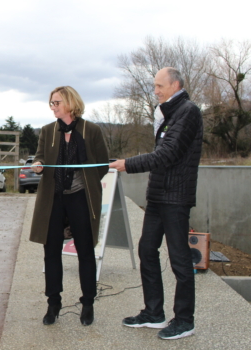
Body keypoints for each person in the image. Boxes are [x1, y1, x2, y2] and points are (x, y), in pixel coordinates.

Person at [110, 67, 202, 340]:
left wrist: (128, 164)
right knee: (147, 250)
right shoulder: (168, 115)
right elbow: (162, 153)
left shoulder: (188, 112)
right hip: (158, 196)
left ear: (175, 85)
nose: (155, 91)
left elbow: (168, 154)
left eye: (159, 86)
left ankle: (185, 320)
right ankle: (154, 312)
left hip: (176, 198)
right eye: (155, 86)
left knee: (179, 259)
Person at [29, 86, 109, 326]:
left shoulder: (91, 130)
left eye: (56, 102)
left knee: (85, 251)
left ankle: (87, 304)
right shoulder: (46, 131)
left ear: (70, 103)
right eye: (51, 103)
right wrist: (38, 164)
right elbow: (39, 156)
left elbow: (103, 164)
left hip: (80, 197)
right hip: (53, 198)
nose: (52, 107)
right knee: (51, 251)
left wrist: (86, 183)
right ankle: (53, 304)